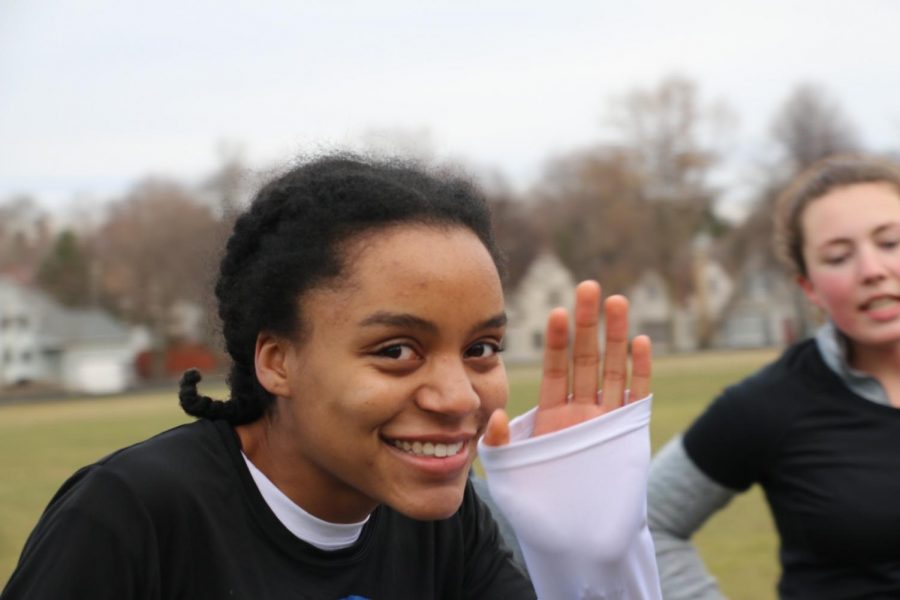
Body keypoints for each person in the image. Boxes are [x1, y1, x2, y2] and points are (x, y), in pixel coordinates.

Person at [2, 154, 661, 599]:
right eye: (397, 351)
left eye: (482, 348)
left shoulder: (446, 525)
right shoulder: (133, 517)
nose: (459, 396)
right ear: (276, 360)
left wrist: (595, 563)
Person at [647, 154, 900, 599]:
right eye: (839, 256)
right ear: (810, 288)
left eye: (891, 242)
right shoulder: (770, 402)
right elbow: (647, 522)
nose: (872, 270)